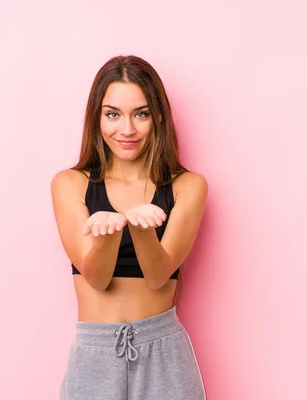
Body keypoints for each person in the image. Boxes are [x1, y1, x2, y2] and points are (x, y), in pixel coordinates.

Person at [51, 55, 208, 400]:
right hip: (96, 351)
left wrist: (140, 229)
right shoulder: (70, 184)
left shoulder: (188, 186)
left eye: (141, 113)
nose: (127, 130)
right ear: (97, 118)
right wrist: (107, 235)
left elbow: (158, 277)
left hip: (163, 349)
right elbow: (96, 278)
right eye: (113, 114)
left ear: (159, 117)